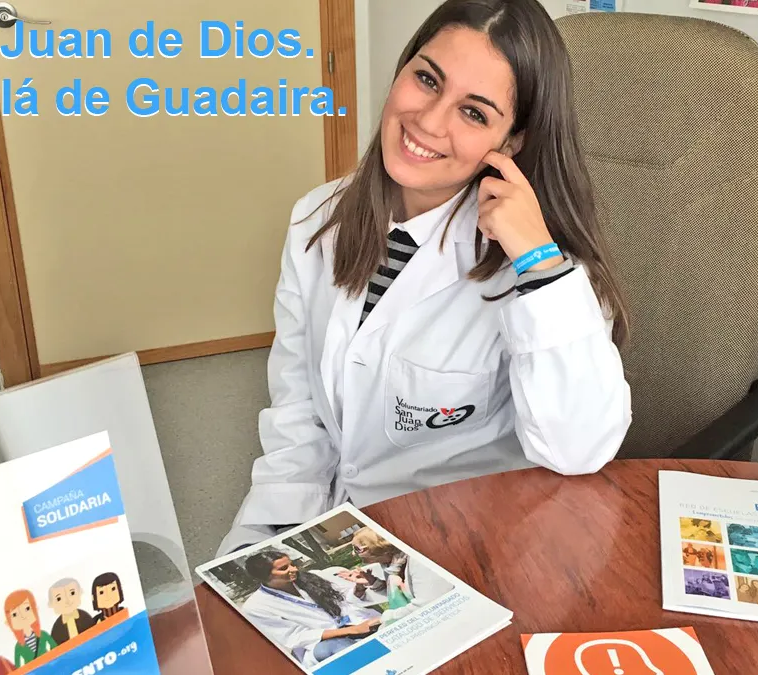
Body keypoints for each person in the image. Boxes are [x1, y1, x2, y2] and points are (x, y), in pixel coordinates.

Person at [220, 0, 632, 554]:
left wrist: (538, 262)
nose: (430, 122)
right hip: (337, 529)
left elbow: (578, 450)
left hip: (465, 548)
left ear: (511, 142)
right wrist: (265, 540)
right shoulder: (316, 221)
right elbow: (298, 410)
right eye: (427, 80)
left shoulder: (542, 270)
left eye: (474, 113)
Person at [241, 548, 382, 667]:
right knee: (342, 647)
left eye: (292, 564)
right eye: (284, 568)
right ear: (264, 576)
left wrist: (359, 589)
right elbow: (295, 637)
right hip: (322, 644)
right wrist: (352, 630)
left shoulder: (312, 577)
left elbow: (346, 599)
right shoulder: (256, 606)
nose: (294, 569)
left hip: (357, 624)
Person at [350, 528, 454, 624]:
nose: (353, 554)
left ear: (378, 546)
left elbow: (428, 605)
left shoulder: (418, 561)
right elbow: (402, 594)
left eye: (357, 549)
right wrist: (373, 582)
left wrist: (385, 618)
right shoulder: (391, 565)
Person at [3, 590, 57, 666]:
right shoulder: (18, 647)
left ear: (35, 608)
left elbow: (56, 649)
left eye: (27, 608)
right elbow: (18, 668)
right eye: (15, 614)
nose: (22, 616)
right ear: (8, 622)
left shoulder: (43, 635)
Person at [48, 578, 97, 645]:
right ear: (51, 604)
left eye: (72, 593)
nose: (67, 601)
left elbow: (94, 632)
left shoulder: (85, 617)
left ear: (80, 592)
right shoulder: (57, 628)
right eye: (59, 598)